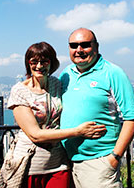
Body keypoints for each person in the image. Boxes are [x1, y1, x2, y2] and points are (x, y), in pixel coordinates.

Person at [7, 41, 107, 188]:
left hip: (58, 163)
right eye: (34, 61)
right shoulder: (20, 91)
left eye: (44, 61)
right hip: (31, 165)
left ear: (51, 63)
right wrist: (78, 131)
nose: (39, 66)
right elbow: (35, 134)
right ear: (28, 64)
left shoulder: (56, 83)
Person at [59, 28, 134, 188]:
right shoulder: (66, 73)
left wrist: (114, 158)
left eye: (85, 45)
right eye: (74, 45)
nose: (79, 50)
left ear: (96, 46)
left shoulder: (113, 73)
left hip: (99, 163)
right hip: (67, 162)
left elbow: (132, 117)